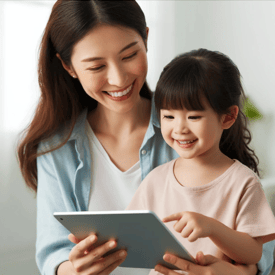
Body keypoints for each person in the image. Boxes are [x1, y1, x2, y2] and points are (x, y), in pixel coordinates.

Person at [16, 0, 275, 274]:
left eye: (129, 56)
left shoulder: (191, 133)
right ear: (68, 66)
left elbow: (258, 248)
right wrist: (74, 269)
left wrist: (237, 271)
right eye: (96, 67)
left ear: (146, 39)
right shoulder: (57, 148)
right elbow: (53, 255)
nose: (118, 79)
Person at [126, 49, 275, 274]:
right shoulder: (156, 179)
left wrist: (212, 228)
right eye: (168, 116)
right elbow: (129, 234)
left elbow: (253, 253)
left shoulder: (242, 182)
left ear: (228, 117)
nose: (180, 128)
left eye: (194, 117)